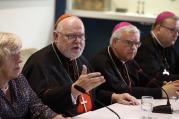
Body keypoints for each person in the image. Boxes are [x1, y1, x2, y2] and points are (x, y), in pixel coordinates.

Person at [22, 14, 138, 116]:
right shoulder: (38, 63)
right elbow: (37, 105)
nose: (78, 41)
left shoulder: (80, 59)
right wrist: (73, 91)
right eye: (71, 36)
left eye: (81, 36)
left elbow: (92, 93)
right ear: (56, 36)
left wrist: (114, 97)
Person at [90, 22, 179, 106]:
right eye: (129, 43)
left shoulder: (130, 61)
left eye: (136, 43)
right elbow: (121, 91)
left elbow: (146, 81)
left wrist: (165, 85)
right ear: (114, 42)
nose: (133, 48)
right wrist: (161, 92)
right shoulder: (101, 61)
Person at [0, 32, 70, 119]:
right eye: (13, 55)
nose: (20, 60)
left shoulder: (19, 80)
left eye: (19, 53)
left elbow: (38, 109)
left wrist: (57, 118)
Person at [135, 11, 179, 86]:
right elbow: (156, 77)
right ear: (158, 28)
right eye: (172, 30)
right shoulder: (144, 47)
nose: (176, 34)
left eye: (178, 31)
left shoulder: (168, 46)